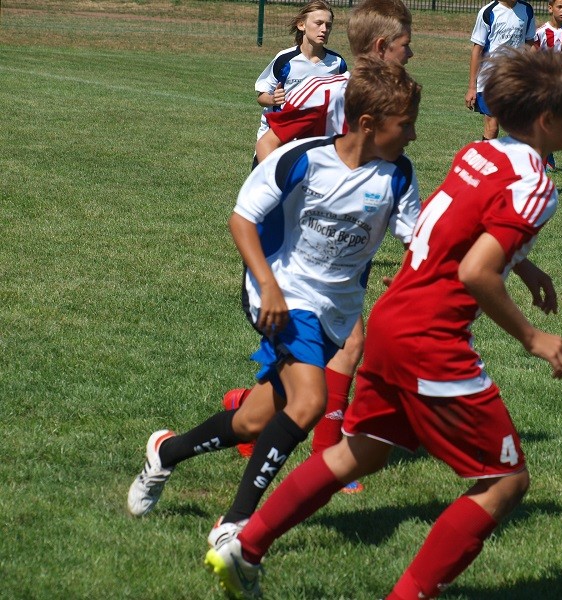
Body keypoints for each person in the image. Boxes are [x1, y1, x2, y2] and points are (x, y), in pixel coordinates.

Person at [206, 46, 562, 600]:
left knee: (361, 451)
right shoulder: (535, 185)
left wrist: (524, 266)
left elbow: (451, 228)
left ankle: (246, 546)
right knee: (504, 482)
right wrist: (533, 337)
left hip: (390, 320)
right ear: (547, 120)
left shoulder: (479, 153)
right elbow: (476, 271)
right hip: (432, 339)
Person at [126, 56, 420, 547]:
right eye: (405, 125)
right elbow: (241, 220)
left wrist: (431, 272)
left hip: (335, 313)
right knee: (309, 402)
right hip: (281, 291)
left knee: (253, 421)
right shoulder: (304, 159)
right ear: (368, 124)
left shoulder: (398, 176)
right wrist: (269, 287)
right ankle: (235, 523)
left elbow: (419, 241)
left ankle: (166, 452)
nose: (412, 135)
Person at [222, 0, 414, 487]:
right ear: (381, 47)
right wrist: (278, 204)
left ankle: (246, 409)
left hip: (348, 239)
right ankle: (328, 459)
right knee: (349, 344)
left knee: (328, 351)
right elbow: (271, 139)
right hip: (301, 245)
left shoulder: (389, 101)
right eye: (405, 46)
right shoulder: (328, 90)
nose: (410, 55)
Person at [250, 1, 347, 170]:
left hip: (315, 144)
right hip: (276, 140)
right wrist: (273, 99)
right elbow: (261, 97)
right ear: (302, 25)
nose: (324, 29)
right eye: (318, 23)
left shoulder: (337, 64)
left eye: (328, 25)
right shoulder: (285, 59)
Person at [465, 0, 535, 141]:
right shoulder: (488, 12)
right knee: (492, 128)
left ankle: (513, 154)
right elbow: (477, 50)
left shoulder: (527, 10)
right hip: (490, 79)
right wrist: (472, 87)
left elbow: (530, 43)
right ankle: (485, 155)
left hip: (515, 78)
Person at [533, 0, 562, 172]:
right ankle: (542, 162)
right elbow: (532, 55)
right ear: (550, 8)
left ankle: (547, 154)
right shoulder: (541, 32)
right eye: (559, 7)